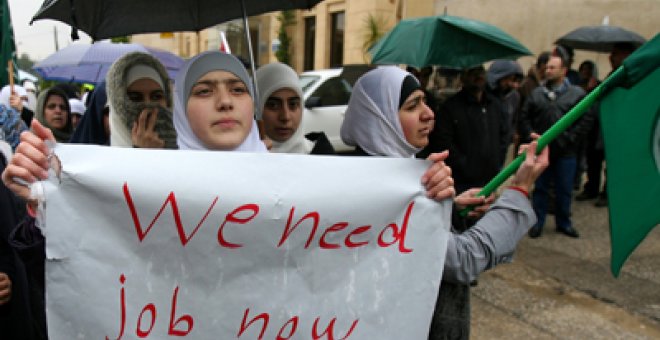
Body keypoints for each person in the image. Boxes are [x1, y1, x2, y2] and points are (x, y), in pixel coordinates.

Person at [340, 66, 548, 340]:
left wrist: (453, 209)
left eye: (424, 101)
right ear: (381, 117)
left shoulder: (394, 171)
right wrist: (519, 190)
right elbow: (463, 259)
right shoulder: (382, 191)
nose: (429, 113)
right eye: (412, 106)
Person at [519, 54, 594, 238]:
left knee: (564, 189)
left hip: (566, 152)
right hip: (542, 151)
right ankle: (537, 223)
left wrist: (570, 138)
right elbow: (524, 116)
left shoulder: (576, 94)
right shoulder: (537, 93)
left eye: (553, 67)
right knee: (541, 189)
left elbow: (586, 118)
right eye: (547, 67)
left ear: (564, 71)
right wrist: (532, 136)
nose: (548, 71)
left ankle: (564, 222)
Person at [423, 65, 510, 194]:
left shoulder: (495, 105)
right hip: (462, 183)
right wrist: (465, 166)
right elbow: (443, 142)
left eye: (481, 72)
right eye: (472, 73)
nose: (478, 76)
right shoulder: (450, 108)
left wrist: (497, 161)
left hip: (490, 180)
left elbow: (504, 135)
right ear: (463, 77)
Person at [255, 62, 334, 154]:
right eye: (273, 105)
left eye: (293, 104)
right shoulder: (241, 157)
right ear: (255, 108)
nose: (285, 117)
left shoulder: (323, 157)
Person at [106, 52, 177, 149]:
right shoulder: (101, 159)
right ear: (117, 105)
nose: (148, 104)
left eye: (156, 97)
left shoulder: (189, 149)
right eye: (136, 98)